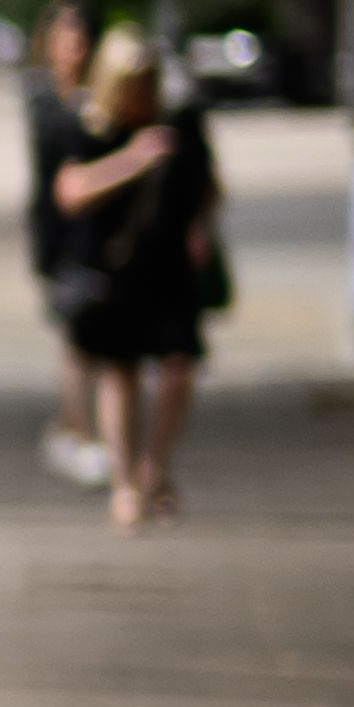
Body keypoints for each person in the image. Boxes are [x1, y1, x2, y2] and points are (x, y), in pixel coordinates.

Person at [48, 28, 217, 527]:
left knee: (178, 368)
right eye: (133, 84)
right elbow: (72, 192)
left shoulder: (181, 124)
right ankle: (125, 484)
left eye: (149, 83)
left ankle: (155, 468)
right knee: (120, 373)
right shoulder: (89, 128)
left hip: (169, 267)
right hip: (114, 270)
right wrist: (135, 159)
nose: (142, 94)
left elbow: (206, 186)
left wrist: (200, 229)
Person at [18, 0, 112, 488]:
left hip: (101, 230)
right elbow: (63, 145)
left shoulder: (101, 93)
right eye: (63, 34)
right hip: (59, 234)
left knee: (97, 338)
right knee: (76, 336)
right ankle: (82, 431)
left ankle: (75, 427)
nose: (71, 44)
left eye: (79, 34)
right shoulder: (42, 97)